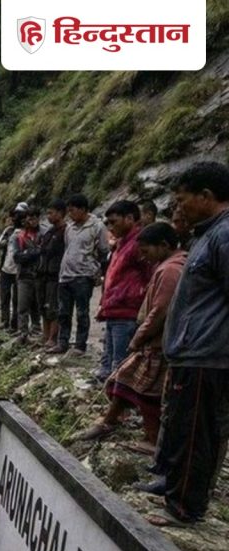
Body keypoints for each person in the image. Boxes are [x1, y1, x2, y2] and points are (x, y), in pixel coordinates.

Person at [147, 161, 229, 527]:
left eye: (182, 200)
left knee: (197, 432)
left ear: (206, 196)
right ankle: (172, 487)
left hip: (207, 356)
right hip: (191, 353)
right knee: (181, 426)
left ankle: (185, 509)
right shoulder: (206, 235)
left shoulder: (224, 236)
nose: (178, 208)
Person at [71, 223, 185, 452]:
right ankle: (110, 421)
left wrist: (139, 337)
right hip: (155, 340)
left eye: (146, 251)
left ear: (163, 245)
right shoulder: (170, 265)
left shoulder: (171, 270)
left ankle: (151, 439)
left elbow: (160, 310)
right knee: (124, 379)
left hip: (157, 342)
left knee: (146, 392)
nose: (143, 257)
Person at [95, 201, 151, 384]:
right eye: (108, 224)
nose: (110, 227)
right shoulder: (121, 244)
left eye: (114, 222)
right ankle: (107, 390)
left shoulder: (138, 244)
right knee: (109, 357)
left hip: (127, 311)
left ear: (129, 219)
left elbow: (150, 276)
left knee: (120, 363)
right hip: (113, 308)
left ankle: (120, 404)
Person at [50, 194, 109, 355]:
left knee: (82, 312)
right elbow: (69, 249)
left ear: (83, 209)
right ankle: (63, 342)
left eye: (73, 210)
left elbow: (104, 251)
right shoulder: (70, 228)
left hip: (84, 276)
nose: (70, 214)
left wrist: (98, 272)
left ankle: (80, 345)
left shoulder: (96, 226)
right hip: (66, 275)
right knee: (63, 311)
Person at [39, 200, 67, 349]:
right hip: (45, 272)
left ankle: (53, 337)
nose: (49, 216)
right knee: (44, 305)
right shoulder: (50, 232)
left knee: (53, 307)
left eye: (51, 213)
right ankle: (45, 335)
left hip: (56, 274)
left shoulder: (65, 231)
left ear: (60, 213)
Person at [13, 207, 43, 342]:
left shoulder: (43, 234)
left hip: (40, 274)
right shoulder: (19, 237)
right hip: (24, 275)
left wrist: (28, 253)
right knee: (23, 304)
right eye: (30, 218)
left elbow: (44, 252)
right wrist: (33, 252)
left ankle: (36, 328)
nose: (33, 221)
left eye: (35, 218)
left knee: (37, 304)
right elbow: (17, 257)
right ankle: (23, 331)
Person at [0, 208, 25, 332]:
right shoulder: (8, 231)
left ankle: (14, 324)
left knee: (16, 299)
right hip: (6, 268)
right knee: (4, 296)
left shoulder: (26, 232)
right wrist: (9, 239)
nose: (14, 220)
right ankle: (5, 321)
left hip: (18, 269)